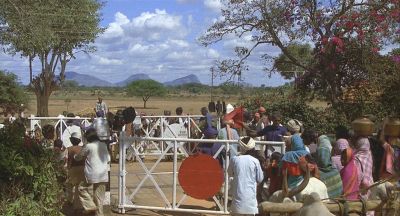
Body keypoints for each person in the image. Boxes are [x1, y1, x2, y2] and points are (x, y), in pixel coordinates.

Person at [74, 128, 110, 216]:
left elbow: (79, 157)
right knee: (99, 199)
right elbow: (108, 159)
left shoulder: (88, 146)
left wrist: (75, 156)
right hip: (103, 174)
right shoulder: (104, 145)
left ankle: (89, 205)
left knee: (81, 188)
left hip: (92, 174)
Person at [228, 137, 264, 216]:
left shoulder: (234, 159)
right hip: (251, 202)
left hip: (237, 202)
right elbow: (260, 179)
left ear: (240, 147)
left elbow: (230, 173)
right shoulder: (255, 161)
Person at [66, 132, 85, 210]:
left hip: (73, 168)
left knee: (69, 185)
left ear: (72, 140)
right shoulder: (83, 148)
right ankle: (78, 205)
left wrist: (68, 168)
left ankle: (70, 200)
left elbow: (68, 160)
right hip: (82, 168)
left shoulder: (69, 149)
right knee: (79, 187)